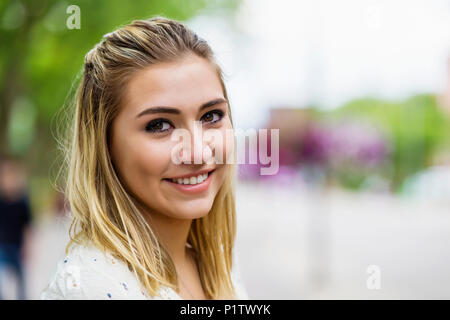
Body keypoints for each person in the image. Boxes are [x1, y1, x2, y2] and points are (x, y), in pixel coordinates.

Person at [41, 16, 249, 300]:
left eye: (211, 116)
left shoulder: (215, 263)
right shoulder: (92, 287)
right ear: (105, 145)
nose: (199, 152)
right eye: (160, 125)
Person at [0, 156, 32, 300]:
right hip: (2, 245)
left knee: (21, 277)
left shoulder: (22, 202)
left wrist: (28, 245)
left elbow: (27, 226)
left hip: (17, 246)